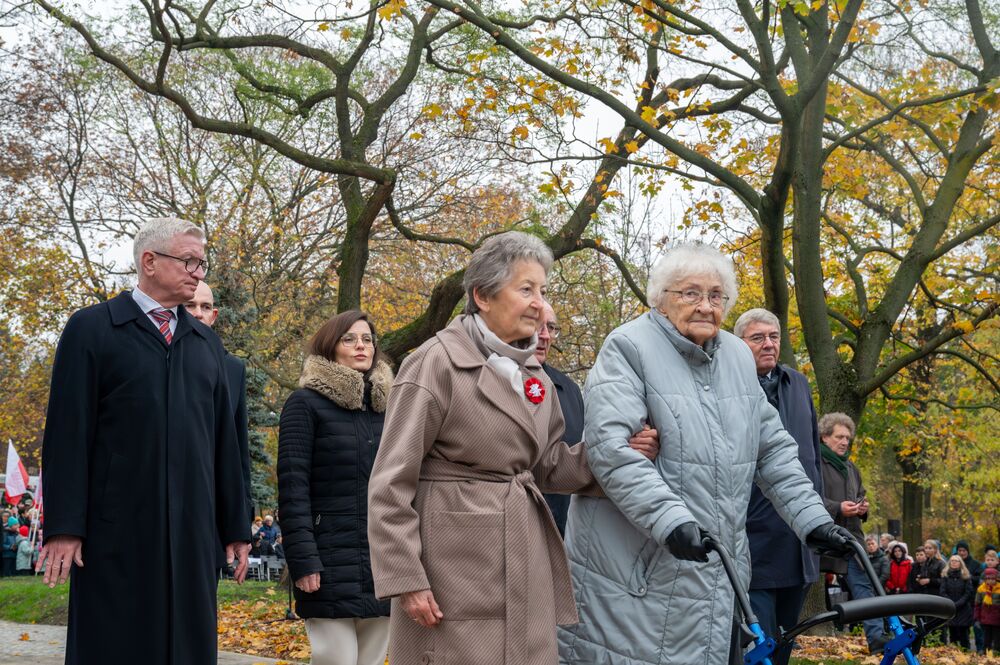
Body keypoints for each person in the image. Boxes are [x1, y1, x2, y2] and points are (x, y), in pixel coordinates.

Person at [367, 232, 661, 665]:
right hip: (451, 565)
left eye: (542, 290)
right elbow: (391, 483)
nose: (539, 304)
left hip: (525, 555)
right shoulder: (434, 363)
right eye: (526, 290)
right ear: (482, 296)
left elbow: (548, 466)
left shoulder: (535, 376)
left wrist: (619, 453)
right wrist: (406, 577)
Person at [558, 243, 849, 665]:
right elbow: (612, 449)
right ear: (660, 299)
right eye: (690, 293)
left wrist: (813, 520)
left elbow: (773, 450)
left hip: (717, 569)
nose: (706, 306)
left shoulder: (736, 356)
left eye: (716, 295)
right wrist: (670, 519)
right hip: (637, 570)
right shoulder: (627, 347)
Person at [36, 217, 251, 665]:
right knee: (115, 647)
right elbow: (67, 434)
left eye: (202, 263)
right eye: (189, 261)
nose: (198, 272)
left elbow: (224, 444)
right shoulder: (92, 329)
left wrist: (235, 526)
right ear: (149, 262)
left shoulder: (205, 344)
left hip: (192, 533)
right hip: (115, 533)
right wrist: (64, 527)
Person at [278, 310, 393, 665]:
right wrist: (303, 560)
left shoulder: (390, 407)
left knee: (371, 661)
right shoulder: (305, 403)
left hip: (383, 562)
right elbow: (293, 489)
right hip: (328, 562)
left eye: (367, 339)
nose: (361, 346)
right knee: (336, 659)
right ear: (331, 346)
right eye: (350, 339)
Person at [734, 308, 824, 665]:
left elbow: (812, 456)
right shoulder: (729, 387)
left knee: (786, 640)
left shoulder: (797, 383)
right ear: (739, 344)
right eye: (758, 338)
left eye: (773, 337)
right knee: (760, 644)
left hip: (797, 543)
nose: (768, 344)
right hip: (753, 540)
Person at [534, 301, 658, 535]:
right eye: (536, 326)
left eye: (551, 327)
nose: (545, 336)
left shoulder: (570, 389)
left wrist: (629, 448)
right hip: (516, 528)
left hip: (564, 531)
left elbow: (589, 448)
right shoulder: (499, 379)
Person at [184, 280, 253, 578]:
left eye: (205, 307)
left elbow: (238, 451)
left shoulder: (233, 368)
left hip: (209, 514)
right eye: (190, 305)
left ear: (214, 316)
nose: (198, 313)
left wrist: (240, 527)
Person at [817, 412, 887, 653]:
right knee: (801, 586)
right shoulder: (814, 464)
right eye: (839, 437)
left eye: (847, 438)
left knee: (864, 585)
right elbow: (807, 498)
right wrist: (838, 508)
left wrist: (862, 507)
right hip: (821, 536)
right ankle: (783, 635)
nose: (845, 442)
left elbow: (861, 494)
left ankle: (877, 638)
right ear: (824, 437)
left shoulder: (851, 467)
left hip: (851, 539)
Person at [955, 539, 986, 652]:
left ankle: (980, 649)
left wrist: (968, 576)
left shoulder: (975, 564)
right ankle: (962, 649)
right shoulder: (955, 563)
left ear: (967, 551)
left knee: (977, 626)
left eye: (964, 550)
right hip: (960, 600)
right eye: (959, 550)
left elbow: (980, 579)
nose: (962, 553)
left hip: (973, 599)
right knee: (962, 628)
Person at [940, 555, 975, 649]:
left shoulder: (966, 576)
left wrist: (958, 604)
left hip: (964, 610)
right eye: (952, 561)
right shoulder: (945, 576)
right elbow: (942, 592)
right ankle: (954, 655)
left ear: (960, 563)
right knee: (953, 636)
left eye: (956, 561)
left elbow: (968, 593)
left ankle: (966, 655)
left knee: (964, 637)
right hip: (951, 609)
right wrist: (951, 604)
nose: (954, 562)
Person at [974, 567, 1000, 655]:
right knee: (986, 639)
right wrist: (977, 619)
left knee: (997, 640)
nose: (990, 581)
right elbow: (977, 605)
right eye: (988, 579)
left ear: (996, 578)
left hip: (997, 619)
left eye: (992, 579)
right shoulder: (981, 589)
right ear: (985, 579)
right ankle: (986, 655)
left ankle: (997, 655)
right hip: (985, 619)